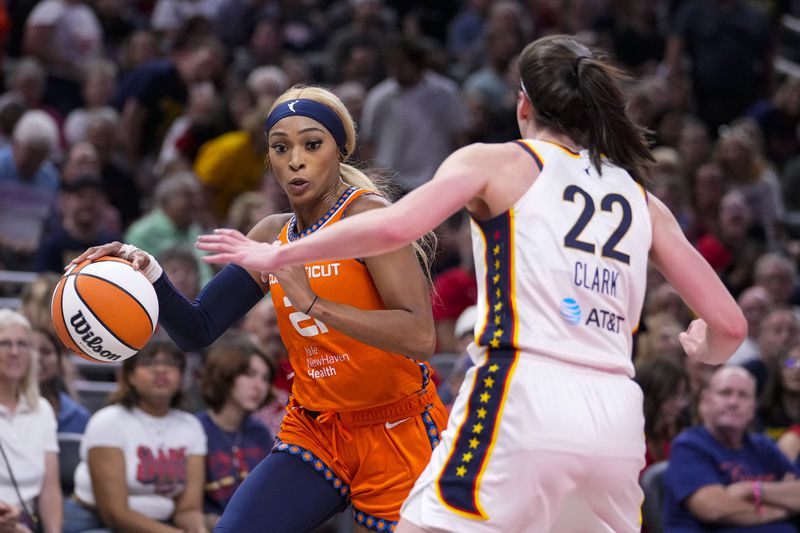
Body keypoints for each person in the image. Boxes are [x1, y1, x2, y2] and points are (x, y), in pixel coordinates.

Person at [196, 35, 748, 532]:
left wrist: (279, 253)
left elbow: (394, 224)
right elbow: (729, 326)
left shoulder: (499, 161)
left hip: (525, 390)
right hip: (617, 416)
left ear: (524, 104)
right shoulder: (641, 198)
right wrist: (705, 346)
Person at [69, 84, 447, 533]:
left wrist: (313, 303)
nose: (296, 160)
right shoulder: (272, 234)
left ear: (340, 150)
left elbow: (421, 337)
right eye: (280, 148)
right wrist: (147, 271)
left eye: (312, 144)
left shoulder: (368, 217)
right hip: (316, 431)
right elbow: (197, 329)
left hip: (395, 428)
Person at [63, 339, 207, 533]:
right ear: (129, 376)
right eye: (148, 363)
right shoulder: (108, 421)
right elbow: (114, 514)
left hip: (161, 524)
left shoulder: (192, 427)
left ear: (181, 376)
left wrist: (198, 528)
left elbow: (188, 509)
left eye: (171, 364)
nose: (161, 370)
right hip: (96, 522)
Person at [662, 366, 800, 531]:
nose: (734, 402)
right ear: (705, 402)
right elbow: (714, 508)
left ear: (753, 407)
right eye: (725, 393)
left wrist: (752, 489)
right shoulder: (688, 446)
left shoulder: (763, 446)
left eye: (743, 395)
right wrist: (784, 509)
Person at [196, 335, 275, 530]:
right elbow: (188, 508)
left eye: (265, 378)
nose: (259, 386)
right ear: (225, 374)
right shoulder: (195, 428)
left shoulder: (260, 432)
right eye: (250, 374)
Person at [0, 309, 62, 533]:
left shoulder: (42, 409)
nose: (14, 352)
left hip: (24, 523)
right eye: (5, 344)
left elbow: (50, 488)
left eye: (22, 344)